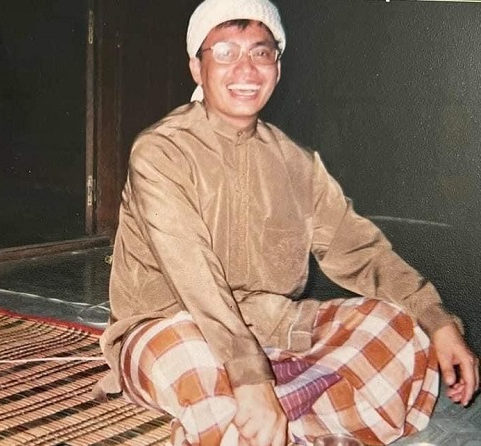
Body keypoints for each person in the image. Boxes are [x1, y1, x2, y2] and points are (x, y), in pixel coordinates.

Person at [97, 0, 479, 445]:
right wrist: (249, 375)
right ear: (197, 68)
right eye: (225, 52)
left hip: (273, 327)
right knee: (196, 366)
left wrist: (437, 320)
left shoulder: (297, 163)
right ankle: (288, 401)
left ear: (277, 68)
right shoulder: (161, 152)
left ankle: (274, 413)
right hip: (170, 325)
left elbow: (361, 252)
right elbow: (193, 275)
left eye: (261, 53)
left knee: (400, 330)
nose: (246, 69)